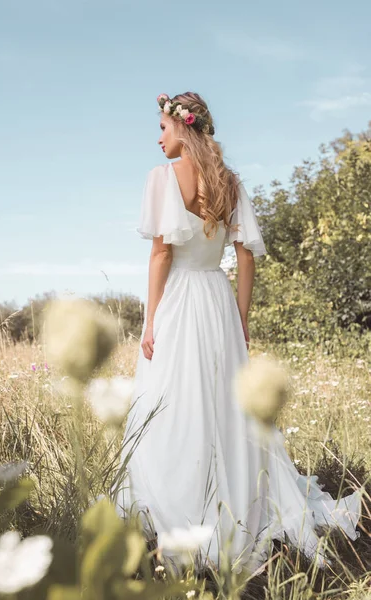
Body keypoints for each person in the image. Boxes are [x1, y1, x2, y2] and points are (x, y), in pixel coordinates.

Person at [112, 92, 362, 574]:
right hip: (218, 301)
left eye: (162, 127)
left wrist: (150, 319)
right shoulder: (229, 182)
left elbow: (162, 255)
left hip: (182, 300)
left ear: (182, 128)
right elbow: (245, 255)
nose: (158, 136)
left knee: (171, 399)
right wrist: (241, 317)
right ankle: (236, 496)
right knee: (227, 402)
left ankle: (176, 506)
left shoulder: (163, 178)